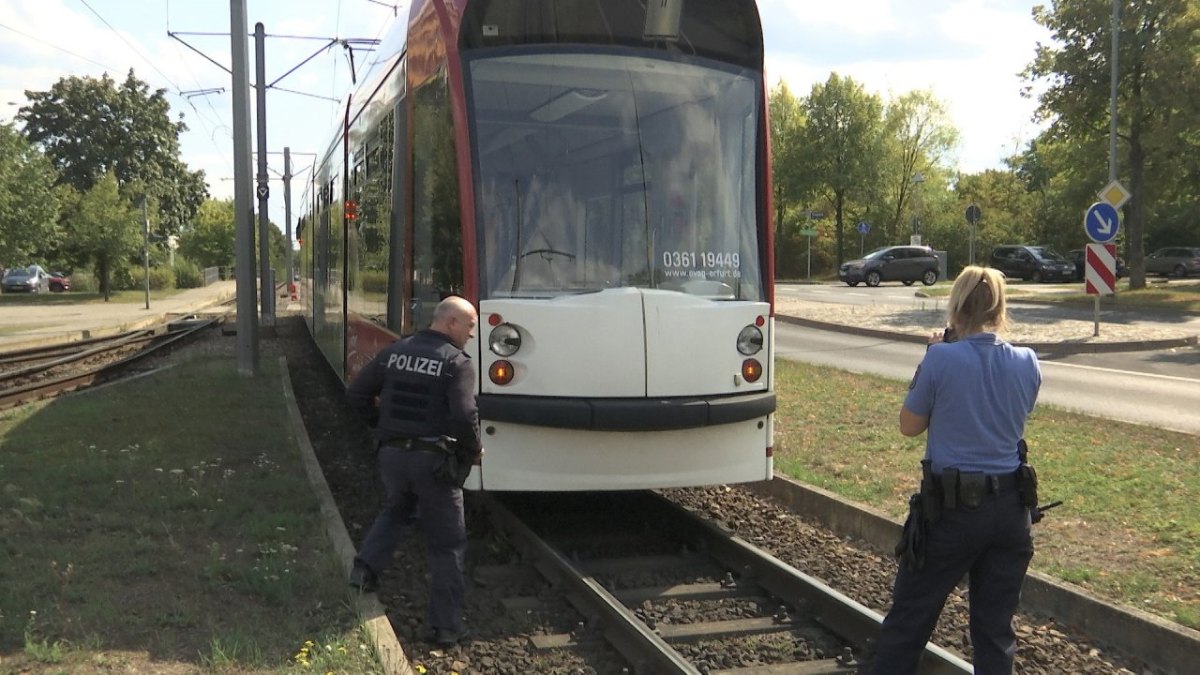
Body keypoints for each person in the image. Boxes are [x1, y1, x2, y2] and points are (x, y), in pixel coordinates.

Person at [872, 265, 1042, 675]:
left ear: (956, 309)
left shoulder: (941, 359)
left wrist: (931, 356)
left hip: (952, 513)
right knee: (995, 631)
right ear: (1000, 308)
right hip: (1011, 511)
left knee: (909, 621)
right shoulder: (1028, 361)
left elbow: (909, 427)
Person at [345, 295, 482, 647]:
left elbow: (358, 394)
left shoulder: (396, 351)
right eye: (469, 325)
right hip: (433, 461)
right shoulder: (456, 362)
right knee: (447, 544)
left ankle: (364, 571)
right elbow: (464, 416)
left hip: (393, 456)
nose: (472, 333)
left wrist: (383, 430)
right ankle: (446, 627)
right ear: (450, 322)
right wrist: (473, 449)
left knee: (397, 509)